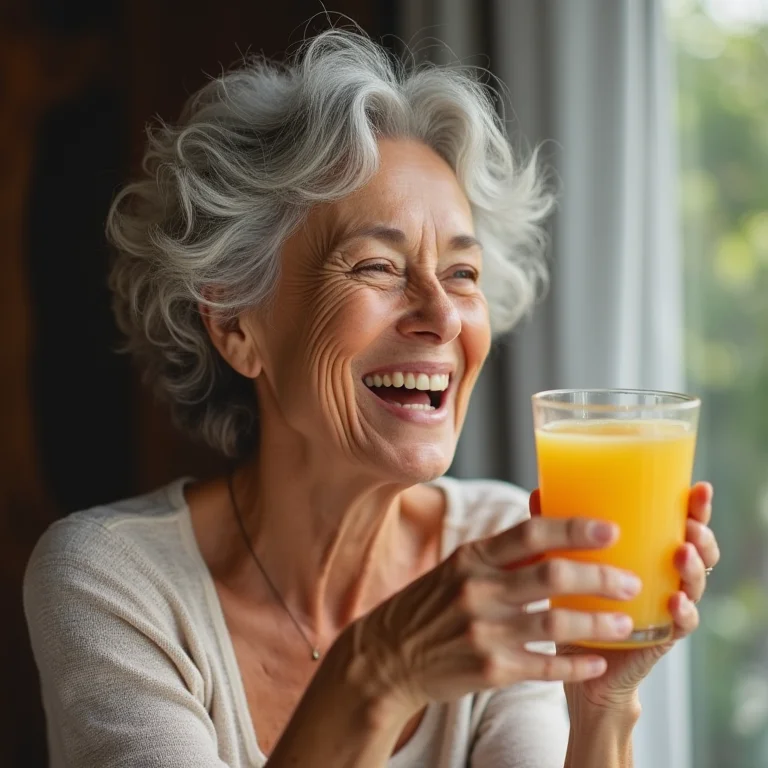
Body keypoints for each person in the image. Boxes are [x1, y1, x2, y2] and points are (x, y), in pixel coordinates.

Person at [23, 29, 720, 768]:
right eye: (378, 266)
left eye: (462, 273)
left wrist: (604, 703)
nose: (443, 316)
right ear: (235, 325)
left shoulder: (498, 543)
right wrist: (378, 671)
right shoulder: (112, 581)